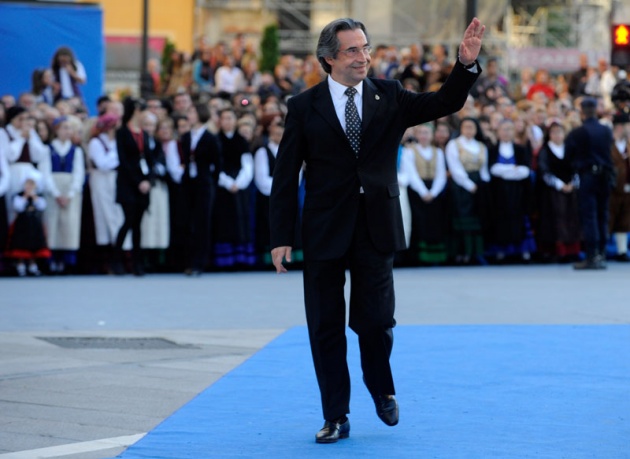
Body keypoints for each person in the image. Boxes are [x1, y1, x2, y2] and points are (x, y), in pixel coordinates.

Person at [269, 17, 484, 443]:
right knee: (324, 325)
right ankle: (336, 415)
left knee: (375, 321)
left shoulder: (391, 95)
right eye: (352, 50)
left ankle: (381, 387)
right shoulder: (302, 106)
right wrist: (280, 237)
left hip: (376, 227)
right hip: (324, 228)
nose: (363, 57)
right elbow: (285, 175)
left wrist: (465, 65)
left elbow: (444, 102)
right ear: (329, 57)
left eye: (365, 48)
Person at [566, 97, 614, 270]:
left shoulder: (578, 132)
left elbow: (568, 155)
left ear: (582, 112)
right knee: (602, 215)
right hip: (605, 176)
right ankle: (601, 253)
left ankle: (592, 255)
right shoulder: (606, 131)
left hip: (587, 176)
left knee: (589, 216)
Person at [179, 103, 222, 275]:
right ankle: (188, 261)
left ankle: (200, 262)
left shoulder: (211, 138)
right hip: (189, 183)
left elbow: (217, 164)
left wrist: (211, 182)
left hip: (204, 184)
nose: (189, 114)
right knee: (188, 222)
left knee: (202, 223)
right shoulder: (186, 137)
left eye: (192, 111)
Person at [114, 97, 155, 276]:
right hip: (127, 183)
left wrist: (148, 181)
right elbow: (123, 161)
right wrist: (138, 182)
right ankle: (116, 260)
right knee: (128, 220)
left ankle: (138, 263)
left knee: (138, 224)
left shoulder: (144, 134)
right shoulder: (122, 132)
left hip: (143, 183)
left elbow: (150, 160)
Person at [40, 117, 85, 274]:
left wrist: (71, 193)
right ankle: (51, 259)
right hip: (54, 189)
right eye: (64, 127)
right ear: (56, 129)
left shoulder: (76, 150)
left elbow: (79, 173)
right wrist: (56, 193)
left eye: (69, 128)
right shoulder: (48, 149)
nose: (67, 131)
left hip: (70, 189)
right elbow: (45, 173)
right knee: (52, 223)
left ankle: (66, 260)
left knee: (69, 224)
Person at [400, 123, 449, 264]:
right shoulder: (409, 151)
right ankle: (418, 257)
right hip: (418, 191)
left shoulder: (437, 152)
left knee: (434, 223)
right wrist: (423, 192)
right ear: (416, 135)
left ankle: (435, 257)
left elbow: (441, 174)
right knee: (419, 223)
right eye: (421, 133)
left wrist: (433, 192)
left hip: (434, 191)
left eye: (426, 132)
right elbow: (411, 173)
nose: (424, 136)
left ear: (432, 135)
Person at [486, 119, 534, 262]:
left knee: (519, 219)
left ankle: (523, 251)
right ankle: (501, 251)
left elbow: (525, 170)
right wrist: (512, 170)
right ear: (498, 132)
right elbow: (493, 169)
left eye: (509, 129)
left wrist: (506, 171)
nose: (506, 133)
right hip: (499, 192)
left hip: (518, 192)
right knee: (501, 220)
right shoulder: (492, 150)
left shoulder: (521, 149)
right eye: (504, 129)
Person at [445, 117, 490, 264]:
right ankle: (461, 253)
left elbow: (484, 169)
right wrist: (469, 185)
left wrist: (483, 186)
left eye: (472, 127)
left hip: (479, 186)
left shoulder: (481, 146)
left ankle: (475, 252)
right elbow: (455, 168)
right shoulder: (454, 144)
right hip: (461, 186)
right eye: (466, 127)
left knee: (476, 220)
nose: (469, 130)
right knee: (462, 219)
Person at [536, 121, 581, 262]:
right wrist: (560, 185)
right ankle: (556, 251)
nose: (557, 135)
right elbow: (544, 170)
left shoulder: (570, 148)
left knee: (571, 220)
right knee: (555, 220)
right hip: (552, 192)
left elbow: (576, 168)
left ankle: (571, 251)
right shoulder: (545, 150)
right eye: (554, 132)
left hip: (571, 190)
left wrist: (573, 183)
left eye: (560, 132)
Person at [5, 169, 50, 276]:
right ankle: (20, 264)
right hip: (22, 226)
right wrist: (25, 197)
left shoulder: (38, 197)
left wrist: (33, 196)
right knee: (21, 244)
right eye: (27, 184)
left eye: (32, 184)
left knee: (34, 245)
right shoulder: (19, 196)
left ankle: (32, 264)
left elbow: (42, 206)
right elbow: (18, 207)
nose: (29, 186)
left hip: (34, 226)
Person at [607, 111, 630, 261]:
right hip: (611, 190)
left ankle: (621, 251)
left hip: (627, 190)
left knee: (625, 220)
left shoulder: (628, 146)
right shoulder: (608, 145)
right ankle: (601, 250)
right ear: (620, 127)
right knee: (608, 219)